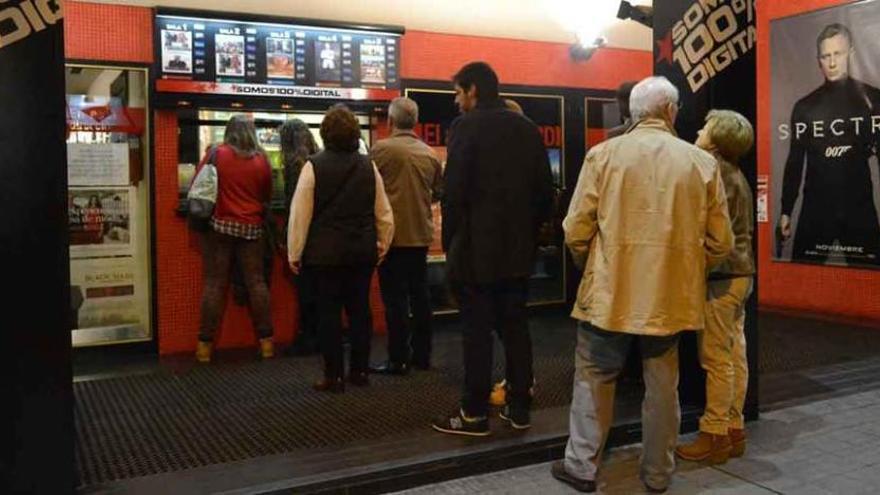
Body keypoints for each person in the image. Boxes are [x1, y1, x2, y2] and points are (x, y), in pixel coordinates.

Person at [552, 76, 733, 493]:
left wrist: (593, 264)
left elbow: (575, 229)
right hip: (670, 298)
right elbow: (721, 243)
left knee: (594, 376)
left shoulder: (603, 155)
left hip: (609, 293)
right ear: (671, 111)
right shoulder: (701, 163)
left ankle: (581, 467)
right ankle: (656, 474)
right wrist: (686, 270)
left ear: (632, 113)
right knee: (662, 387)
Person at [431, 62, 554, 436]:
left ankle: (474, 413)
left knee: (477, 333)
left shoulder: (465, 128)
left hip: (475, 252)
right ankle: (519, 410)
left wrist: (452, 243)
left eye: (457, 93)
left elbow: (454, 196)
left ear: (472, 90)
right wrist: (530, 239)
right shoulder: (527, 128)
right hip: (518, 253)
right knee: (517, 329)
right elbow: (544, 194)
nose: (456, 101)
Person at [287, 104, 394, 393]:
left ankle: (333, 376)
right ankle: (360, 371)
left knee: (329, 315)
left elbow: (301, 215)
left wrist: (294, 253)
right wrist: (383, 244)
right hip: (361, 252)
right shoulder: (367, 165)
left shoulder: (314, 165)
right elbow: (383, 211)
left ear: (324, 133)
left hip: (325, 255)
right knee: (360, 311)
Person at [676, 110, 755, 465]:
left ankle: (715, 436)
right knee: (735, 353)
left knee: (716, 359)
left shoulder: (711, 170)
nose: (698, 129)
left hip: (721, 278)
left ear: (718, 138)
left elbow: (705, 229)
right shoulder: (737, 174)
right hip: (742, 276)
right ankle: (734, 429)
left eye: (706, 127)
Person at [778, 23, 880, 265]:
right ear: (819, 61)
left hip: (859, 208)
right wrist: (785, 210)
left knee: (872, 286)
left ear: (850, 54)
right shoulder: (804, 107)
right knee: (802, 282)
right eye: (826, 56)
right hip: (815, 209)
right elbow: (795, 162)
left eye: (838, 53)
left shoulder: (874, 99)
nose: (832, 62)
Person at [369, 97, 443, 375]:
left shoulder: (380, 151)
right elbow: (438, 192)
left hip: (391, 237)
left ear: (390, 121)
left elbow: (369, 190)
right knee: (421, 297)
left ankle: (398, 359)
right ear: (415, 122)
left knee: (395, 300)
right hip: (420, 236)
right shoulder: (429, 154)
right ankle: (423, 356)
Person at [195, 115, 274, 364]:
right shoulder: (262, 159)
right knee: (256, 283)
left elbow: (200, 183)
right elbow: (267, 194)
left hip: (220, 227)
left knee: (215, 284)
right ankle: (267, 343)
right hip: (252, 229)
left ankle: (204, 347)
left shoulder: (217, 154)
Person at [278, 119, 320, 356]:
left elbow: (294, 205)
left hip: (305, 234)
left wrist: (289, 239)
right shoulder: (317, 158)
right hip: (321, 234)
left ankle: (307, 339)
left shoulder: (295, 165)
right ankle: (317, 336)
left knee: (306, 290)